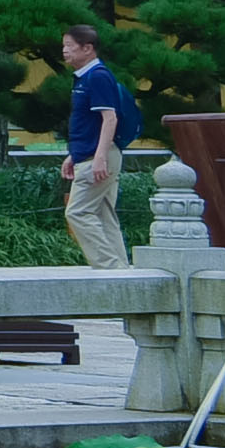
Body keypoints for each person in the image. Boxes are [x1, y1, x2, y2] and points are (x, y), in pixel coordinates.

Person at [59, 20, 139, 273]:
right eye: (64, 46)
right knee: (104, 215)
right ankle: (121, 269)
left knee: (78, 213)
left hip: (98, 156)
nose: (65, 51)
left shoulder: (98, 76)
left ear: (88, 48)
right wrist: (74, 155)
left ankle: (109, 267)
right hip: (88, 155)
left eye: (70, 46)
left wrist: (99, 157)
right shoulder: (84, 78)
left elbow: (110, 118)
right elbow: (89, 123)